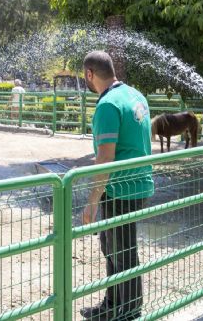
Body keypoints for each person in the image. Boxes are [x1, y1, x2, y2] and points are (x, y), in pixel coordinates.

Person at [80, 51, 154, 321]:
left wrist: (92, 200)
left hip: (121, 189)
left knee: (122, 252)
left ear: (90, 74)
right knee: (111, 246)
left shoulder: (108, 105)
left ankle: (131, 312)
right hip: (139, 183)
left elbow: (105, 158)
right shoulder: (136, 95)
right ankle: (111, 304)